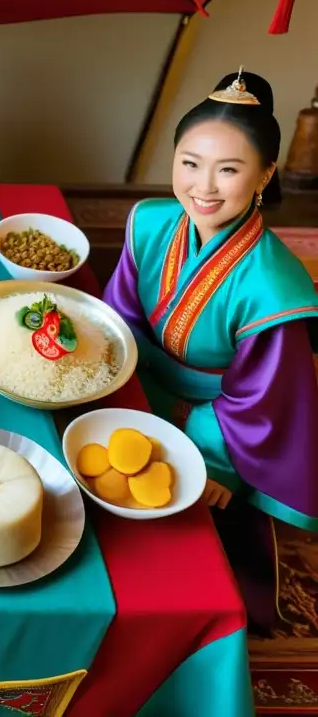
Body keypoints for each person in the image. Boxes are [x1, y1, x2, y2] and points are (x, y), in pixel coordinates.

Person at [103, 69, 318, 631]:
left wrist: (211, 459)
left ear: (266, 173)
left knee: (177, 556)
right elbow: (120, 317)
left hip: (218, 426)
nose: (204, 186)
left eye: (229, 169)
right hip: (138, 384)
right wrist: (109, 385)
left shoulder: (273, 285)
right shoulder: (150, 223)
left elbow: (263, 399)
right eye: (189, 163)